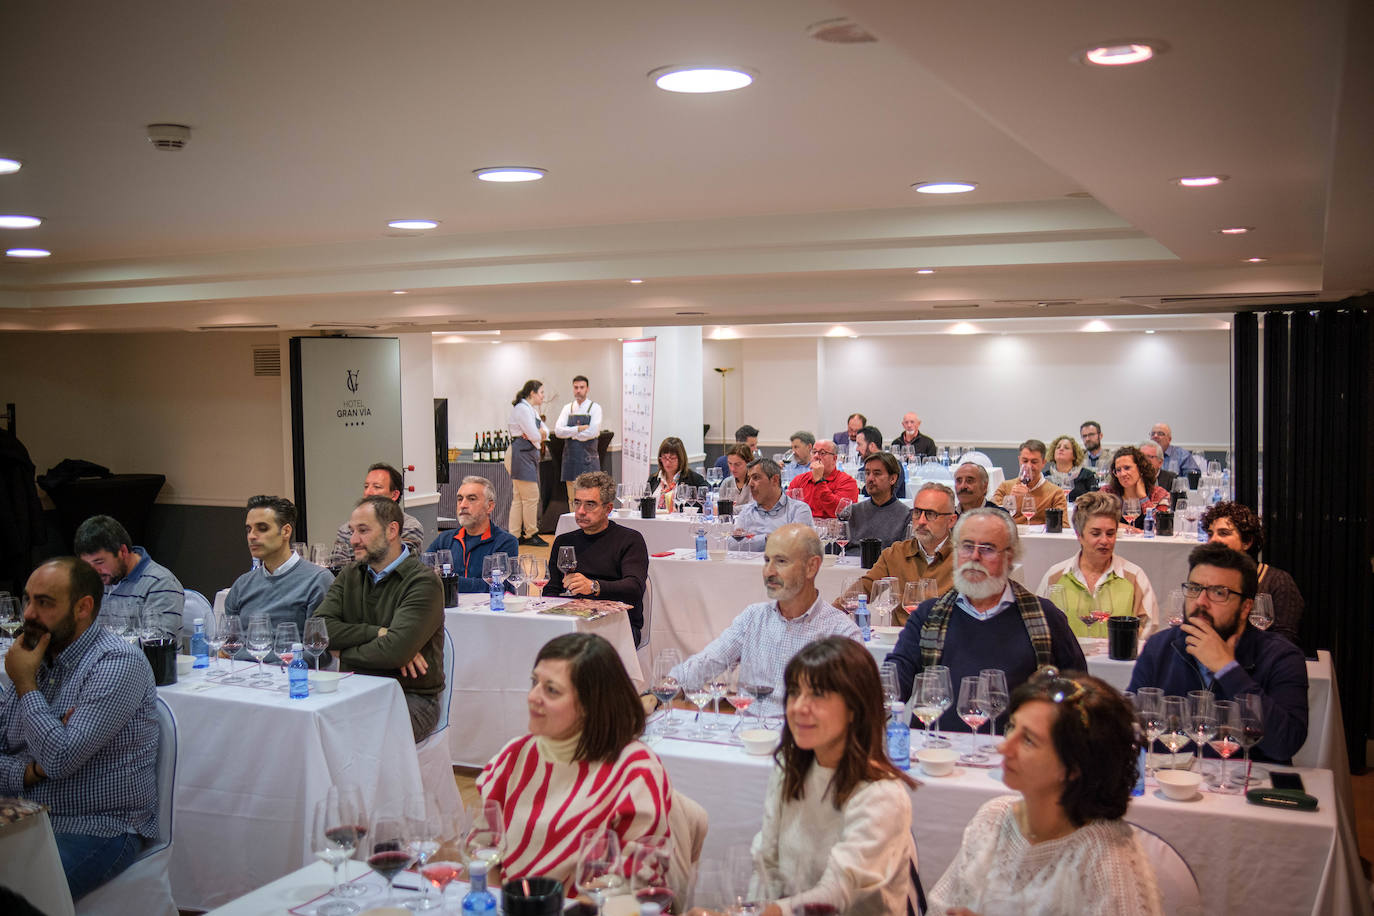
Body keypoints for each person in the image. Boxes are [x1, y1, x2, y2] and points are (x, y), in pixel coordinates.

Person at [928, 671, 1164, 916]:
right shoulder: (994, 817)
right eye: (1012, 728)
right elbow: (940, 906)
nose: (1004, 747)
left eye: (1028, 740)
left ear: (1073, 767)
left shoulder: (1107, 859)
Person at [1, 558, 159, 901]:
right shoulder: (34, 653)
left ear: (83, 607)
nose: (28, 613)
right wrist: (28, 773)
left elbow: (58, 758)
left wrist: (26, 685)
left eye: (44, 603)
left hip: (97, 827)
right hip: (20, 816)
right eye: (28, 599)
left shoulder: (117, 663)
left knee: (15, 899)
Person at [477, 633, 671, 891]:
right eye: (534, 682)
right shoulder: (515, 754)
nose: (533, 696)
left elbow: (636, 879)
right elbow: (483, 849)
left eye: (551, 690)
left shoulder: (635, 769)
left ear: (590, 705)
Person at [747, 638, 920, 916]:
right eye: (794, 692)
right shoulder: (789, 768)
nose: (799, 707)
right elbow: (765, 861)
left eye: (817, 694)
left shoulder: (881, 793)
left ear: (854, 708)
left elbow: (836, 893)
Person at [888, 508, 1087, 732]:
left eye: (988, 548)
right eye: (966, 546)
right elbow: (895, 681)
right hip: (936, 755)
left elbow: (1079, 689)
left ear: (1009, 556)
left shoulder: (1044, 617)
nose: (974, 556)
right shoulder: (928, 616)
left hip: (1014, 755)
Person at [1127, 543, 1308, 763]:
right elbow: (1130, 728)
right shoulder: (1160, 647)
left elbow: (1285, 743)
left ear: (1245, 607)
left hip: (1246, 787)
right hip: (1172, 786)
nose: (1201, 602)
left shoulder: (1281, 657)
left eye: (1218, 593)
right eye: (1194, 588)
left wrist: (1228, 669)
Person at [670, 525, 860, 719]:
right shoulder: (753, 617)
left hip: (804, 738)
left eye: (781, 561)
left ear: (811, 566)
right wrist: (663, 689)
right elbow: (708, 661)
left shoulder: (842, 633)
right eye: (767, 560)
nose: (768, 571)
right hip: (745, 735)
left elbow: (849, 710)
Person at [313, 496, 445, 741]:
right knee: (308, 727)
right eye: (352, 531)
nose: (353, 540)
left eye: (363, 531)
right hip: (354, 689)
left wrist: (340, 652)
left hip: (411, 698)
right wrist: (379, 633)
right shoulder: (351, 574)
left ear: (392, 530)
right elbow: (318, 632)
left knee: (348, 735)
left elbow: (395, 652)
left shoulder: (423, 581)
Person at [544, 472, 650, 644]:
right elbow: (551, 590)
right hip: (571, 622)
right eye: (577, 502)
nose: (580, 511)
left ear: (608, 509)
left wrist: (594, 586)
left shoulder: (630, 540)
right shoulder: (564, 542)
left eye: (590, 505)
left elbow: (634, 588)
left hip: (617, 624)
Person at [1034, 492, 1158, 637]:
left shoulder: (1134, 577)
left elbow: (1149, 628)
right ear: (1079, 535)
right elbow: (1037, 625)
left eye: (1110, 533)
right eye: (1096, 533)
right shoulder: (1054, 577)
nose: (1105, 541)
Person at [847, 483, 958, 623]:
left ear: (951, 521)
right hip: (901, 640)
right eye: (917, 512)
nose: (921, 521)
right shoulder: (896, 553)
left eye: (930, 514)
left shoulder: (966, 559)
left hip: (945, 641)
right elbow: (864, 588)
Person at [225, 495, 335, 632]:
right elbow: (229, 644)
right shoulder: (241, 585)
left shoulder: (317, 580)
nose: (252, 536)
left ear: (286, 531)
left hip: (295, 653)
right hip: (246, 653)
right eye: (249, 529)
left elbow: (318, 648)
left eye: (262, 528)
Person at [1201, 501, 1304, 646]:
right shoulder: (1210, 582)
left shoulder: (1278, 582)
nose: (1213, 540)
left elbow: (1285, 641)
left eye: (1223, 533)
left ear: (1247, 542)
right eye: (1210, 534)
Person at [74, 514, 184, 637]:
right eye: (87, 564)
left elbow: (158, 643)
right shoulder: (95, 581)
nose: (94, 571)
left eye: (99, 562)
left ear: (123, 552)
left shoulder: (161, 583)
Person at [424, 476, 520, 593]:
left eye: (472, 499)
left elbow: (501, 586)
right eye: (460, 499)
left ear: (489, 506)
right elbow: (423, 574)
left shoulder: (505, 541)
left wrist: (447, 580)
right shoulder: (445, 539)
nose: (463, 505)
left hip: (486, 609)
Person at [327, 463, 426, 567]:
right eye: (366, 486)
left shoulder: (409, 526)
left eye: (377, 487)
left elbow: (400, 564)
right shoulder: (347, 530)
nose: (368, 492)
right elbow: (338, 567)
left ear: (394, 495)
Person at [734, 458, 814, 550]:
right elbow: (733, 544)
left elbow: (798, 546)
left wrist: (753, 540)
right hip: (750, 564)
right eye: (749, 479)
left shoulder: (798, 510)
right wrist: (766, 539)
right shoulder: (747, 512)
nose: (750, 484)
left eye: (756, 478)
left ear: (775, 480)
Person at [508, 379, 549, 546]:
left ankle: (515, 535)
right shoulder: (522, 409)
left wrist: (538, 433)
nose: (543, 396)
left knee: (518, 498)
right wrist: (537, 433)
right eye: (541, 393)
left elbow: (544, 431)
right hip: (521, 455)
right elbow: (536, 435)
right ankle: (531, 533)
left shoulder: (529, 409)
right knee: (531, 496)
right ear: (532, 393)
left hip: (525, 454)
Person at [844, 451, 910, 555]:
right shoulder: (852, 512)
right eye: (867, 473)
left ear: (893, 478)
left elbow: (904, 556)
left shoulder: (906, 515)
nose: (870, 478)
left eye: (877, 473)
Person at [991, 439, 1069, 526]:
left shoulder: (1056, 493)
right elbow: (992, 519)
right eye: (1025, 461)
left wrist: (1028, 498)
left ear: (1043, 463)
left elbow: (1064, 526)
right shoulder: (1005, 487)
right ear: (1019, 460)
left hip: (1040, 539)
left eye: (1034, 462)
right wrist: (1010, 500)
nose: (1028, 466)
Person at [553, 374, 603, 503]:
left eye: (581, 387)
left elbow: (592, 432)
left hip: (588, 460)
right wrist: (578, 429)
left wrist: (570, 433)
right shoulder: (567, 408)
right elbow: (558, 431)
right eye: (576, 387)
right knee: (572, 498)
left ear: (587, 389)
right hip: (571, 459)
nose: (578, 390)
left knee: (591, 497)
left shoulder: (595, 408)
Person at [1100, 446, 1170, 528]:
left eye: (1127, 468)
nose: (1122, 474)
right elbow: (1095, 520)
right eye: (1118, 470)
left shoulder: (1159, 494)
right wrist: (1130, 529)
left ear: (1141, 469)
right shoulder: (1107, 492)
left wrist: (1143, 498)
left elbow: (1162, 526)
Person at [789, 440, 859, 519]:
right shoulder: (799, 480)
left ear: (834, 458)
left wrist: (820, 481)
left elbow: (841, 513)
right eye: (814, 452)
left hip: (832, 530)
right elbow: (788, 508)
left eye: (822, 453)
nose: (816, 456)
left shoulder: (847, 482)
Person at [647, 436, 708, 508]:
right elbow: (642, 506)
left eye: (672, 458)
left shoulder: (695, 479)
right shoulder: (653, 479)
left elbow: (705, 505)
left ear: (681, 459)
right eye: (664, 457)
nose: (667, 462)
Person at [1043, 435, 1097, 503]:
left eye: (1066, 448)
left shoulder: (1087, 475)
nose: (1061, 449)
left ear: (1074, 455)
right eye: (1058, 447)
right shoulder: (1045, 476)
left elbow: (1095, 500)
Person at [855, 426, 905, 498]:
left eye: (859, 444)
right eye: (868, 473)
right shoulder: (862, 470)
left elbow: (886, 495)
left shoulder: (893, 466)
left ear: (872, 446)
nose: (857, 449)